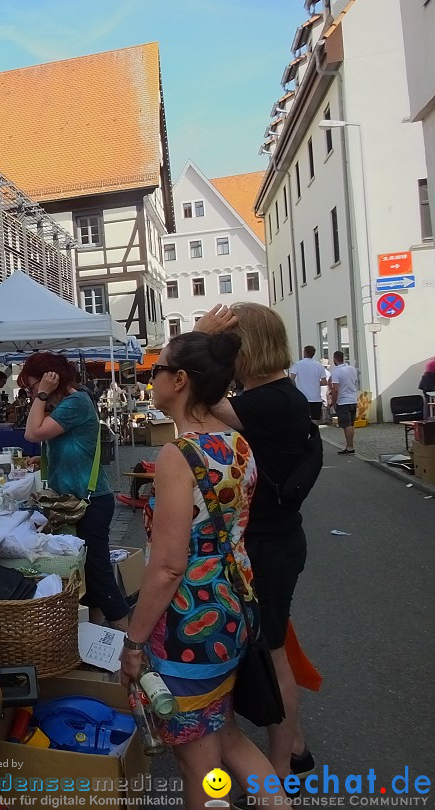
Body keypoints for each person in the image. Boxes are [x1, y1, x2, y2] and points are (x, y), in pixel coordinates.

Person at [120, 332, 276, 808]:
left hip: (189, 625)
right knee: (225, 734)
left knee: (199, 764)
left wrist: (133, 642)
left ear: (180, 380)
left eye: (157, 371)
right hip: (233, 609)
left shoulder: (179, 455)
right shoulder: (238, 445)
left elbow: (168, 566)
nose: (152, 380)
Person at [196, 302, 316, 778]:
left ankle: (282, 772)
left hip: (267, 544)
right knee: (274, 644)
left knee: (272, 654)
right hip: (274, 540)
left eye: (231, 345)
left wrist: (202, 339)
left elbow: (194, 393)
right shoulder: (281, 397)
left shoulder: (267, 402)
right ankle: (297, 750)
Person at [19, 353, 128, 628]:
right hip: (77, 501)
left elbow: (32, 433)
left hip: (90, 501)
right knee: (89, 574)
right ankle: (96, 639)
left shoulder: (75, 402)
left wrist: (41, 395)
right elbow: (64, 442)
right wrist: (43, 459)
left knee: (98, 573)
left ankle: (129, 643)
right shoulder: (70, 403)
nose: (31, 393)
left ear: (50, 378)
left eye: (31, 386)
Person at [328, 351, 359, 455]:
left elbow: (335, 389)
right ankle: (350, 446)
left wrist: (334, 402)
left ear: (335, 359)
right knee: (351, 424)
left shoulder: (336, 372)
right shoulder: (352, 369)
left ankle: (350, 447)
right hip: (353, 399)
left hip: (343, 401)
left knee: (346, 425)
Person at [290, 345, 330, 422]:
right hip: (315, 397)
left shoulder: (298, 364)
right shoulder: (319, 366)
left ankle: (304, 433)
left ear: (304, 352)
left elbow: (291, 379)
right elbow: (324, 382)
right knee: (315, 420)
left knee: (302, 419)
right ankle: (314, 433)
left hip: (301, 397)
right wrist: (315, 383)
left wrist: (295, 388)